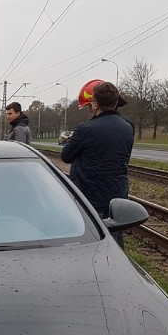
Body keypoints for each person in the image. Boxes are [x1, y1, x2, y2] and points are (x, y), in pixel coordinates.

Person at [61, 80, 133, 248]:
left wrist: (74, 141)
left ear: (94, 104)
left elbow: (66, 156)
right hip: (118, 191)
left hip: (91, 193)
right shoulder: (127, 127)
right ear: (115, 103)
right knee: (115, 234)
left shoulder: (85, 129)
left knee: (93, 237)